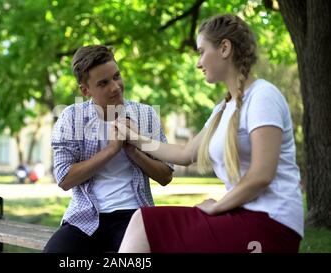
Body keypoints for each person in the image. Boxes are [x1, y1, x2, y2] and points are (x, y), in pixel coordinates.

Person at [117, 14, 303, 253]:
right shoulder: (223, 109)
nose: (198, 62)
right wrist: (135, 138)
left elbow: (261, 174)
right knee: (142, 221)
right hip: (242, 215)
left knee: (146, 226)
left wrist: (218, 207)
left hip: (271, 223)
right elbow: (185, 153)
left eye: (201, 51)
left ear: (224, 48)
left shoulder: (262, 96)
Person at [43, 45, 174, 253]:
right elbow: (64, 178)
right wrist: (111, 150)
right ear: (86, 91)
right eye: (103, 83)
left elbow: (166, 175)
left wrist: (134, 151)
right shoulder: (72, 118)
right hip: (85, 218)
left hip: (134, 216)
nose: (115, 87)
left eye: (117, 76)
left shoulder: (146, 115)